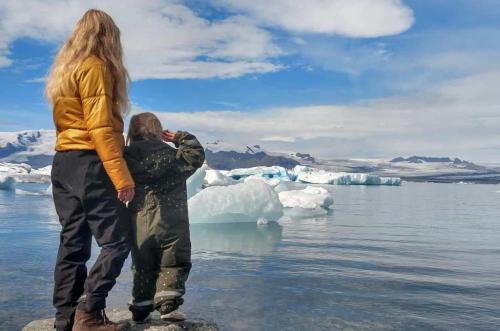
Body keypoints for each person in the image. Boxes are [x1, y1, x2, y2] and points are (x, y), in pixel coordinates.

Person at [45, 9, 134, 331]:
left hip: (63, 162)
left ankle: (64, 317)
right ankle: (90, 311)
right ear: (108, 37)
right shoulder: (96, 67)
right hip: (91, 162)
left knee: (73, 241)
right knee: (118, 241)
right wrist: (121, 177)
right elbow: (99, 127)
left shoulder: (64, 71)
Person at [123, 112, 205, 323]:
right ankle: (168, 307)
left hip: (140, 219)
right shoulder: (174, 156)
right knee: (174, 262)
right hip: (173, 221)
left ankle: (140, 308)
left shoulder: (128, 156)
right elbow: (196, 154)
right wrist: (181, 137)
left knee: (142, 265)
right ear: (158, 131)